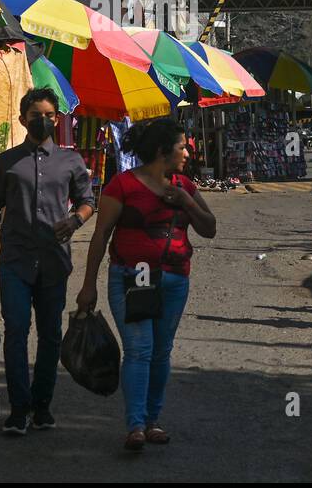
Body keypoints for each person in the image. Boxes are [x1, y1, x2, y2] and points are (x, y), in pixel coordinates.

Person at [76, 118, 216, 451]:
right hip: (132, 278)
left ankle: (153, 421)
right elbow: (100, 237)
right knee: (140, 350)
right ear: (161, 151)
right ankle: (136, 425)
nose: (187, 151)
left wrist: (186, 201)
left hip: (174, 278)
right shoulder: (122, 185)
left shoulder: (185, 185)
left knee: (161, 352)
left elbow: (209, 228)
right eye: (182, 146)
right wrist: (88, 285)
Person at [0, 88, 94, 435]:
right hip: (15, 262)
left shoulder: (71, 161)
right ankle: (19, 409)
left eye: (50, 115)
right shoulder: (7, 161)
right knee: (17, 332)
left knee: (51, 336)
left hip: (54, 262)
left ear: (58, 118)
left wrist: (75, 220)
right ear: (23, 120)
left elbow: (87, 201)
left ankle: (42, 407)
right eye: (36, 115)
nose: (44, 120)